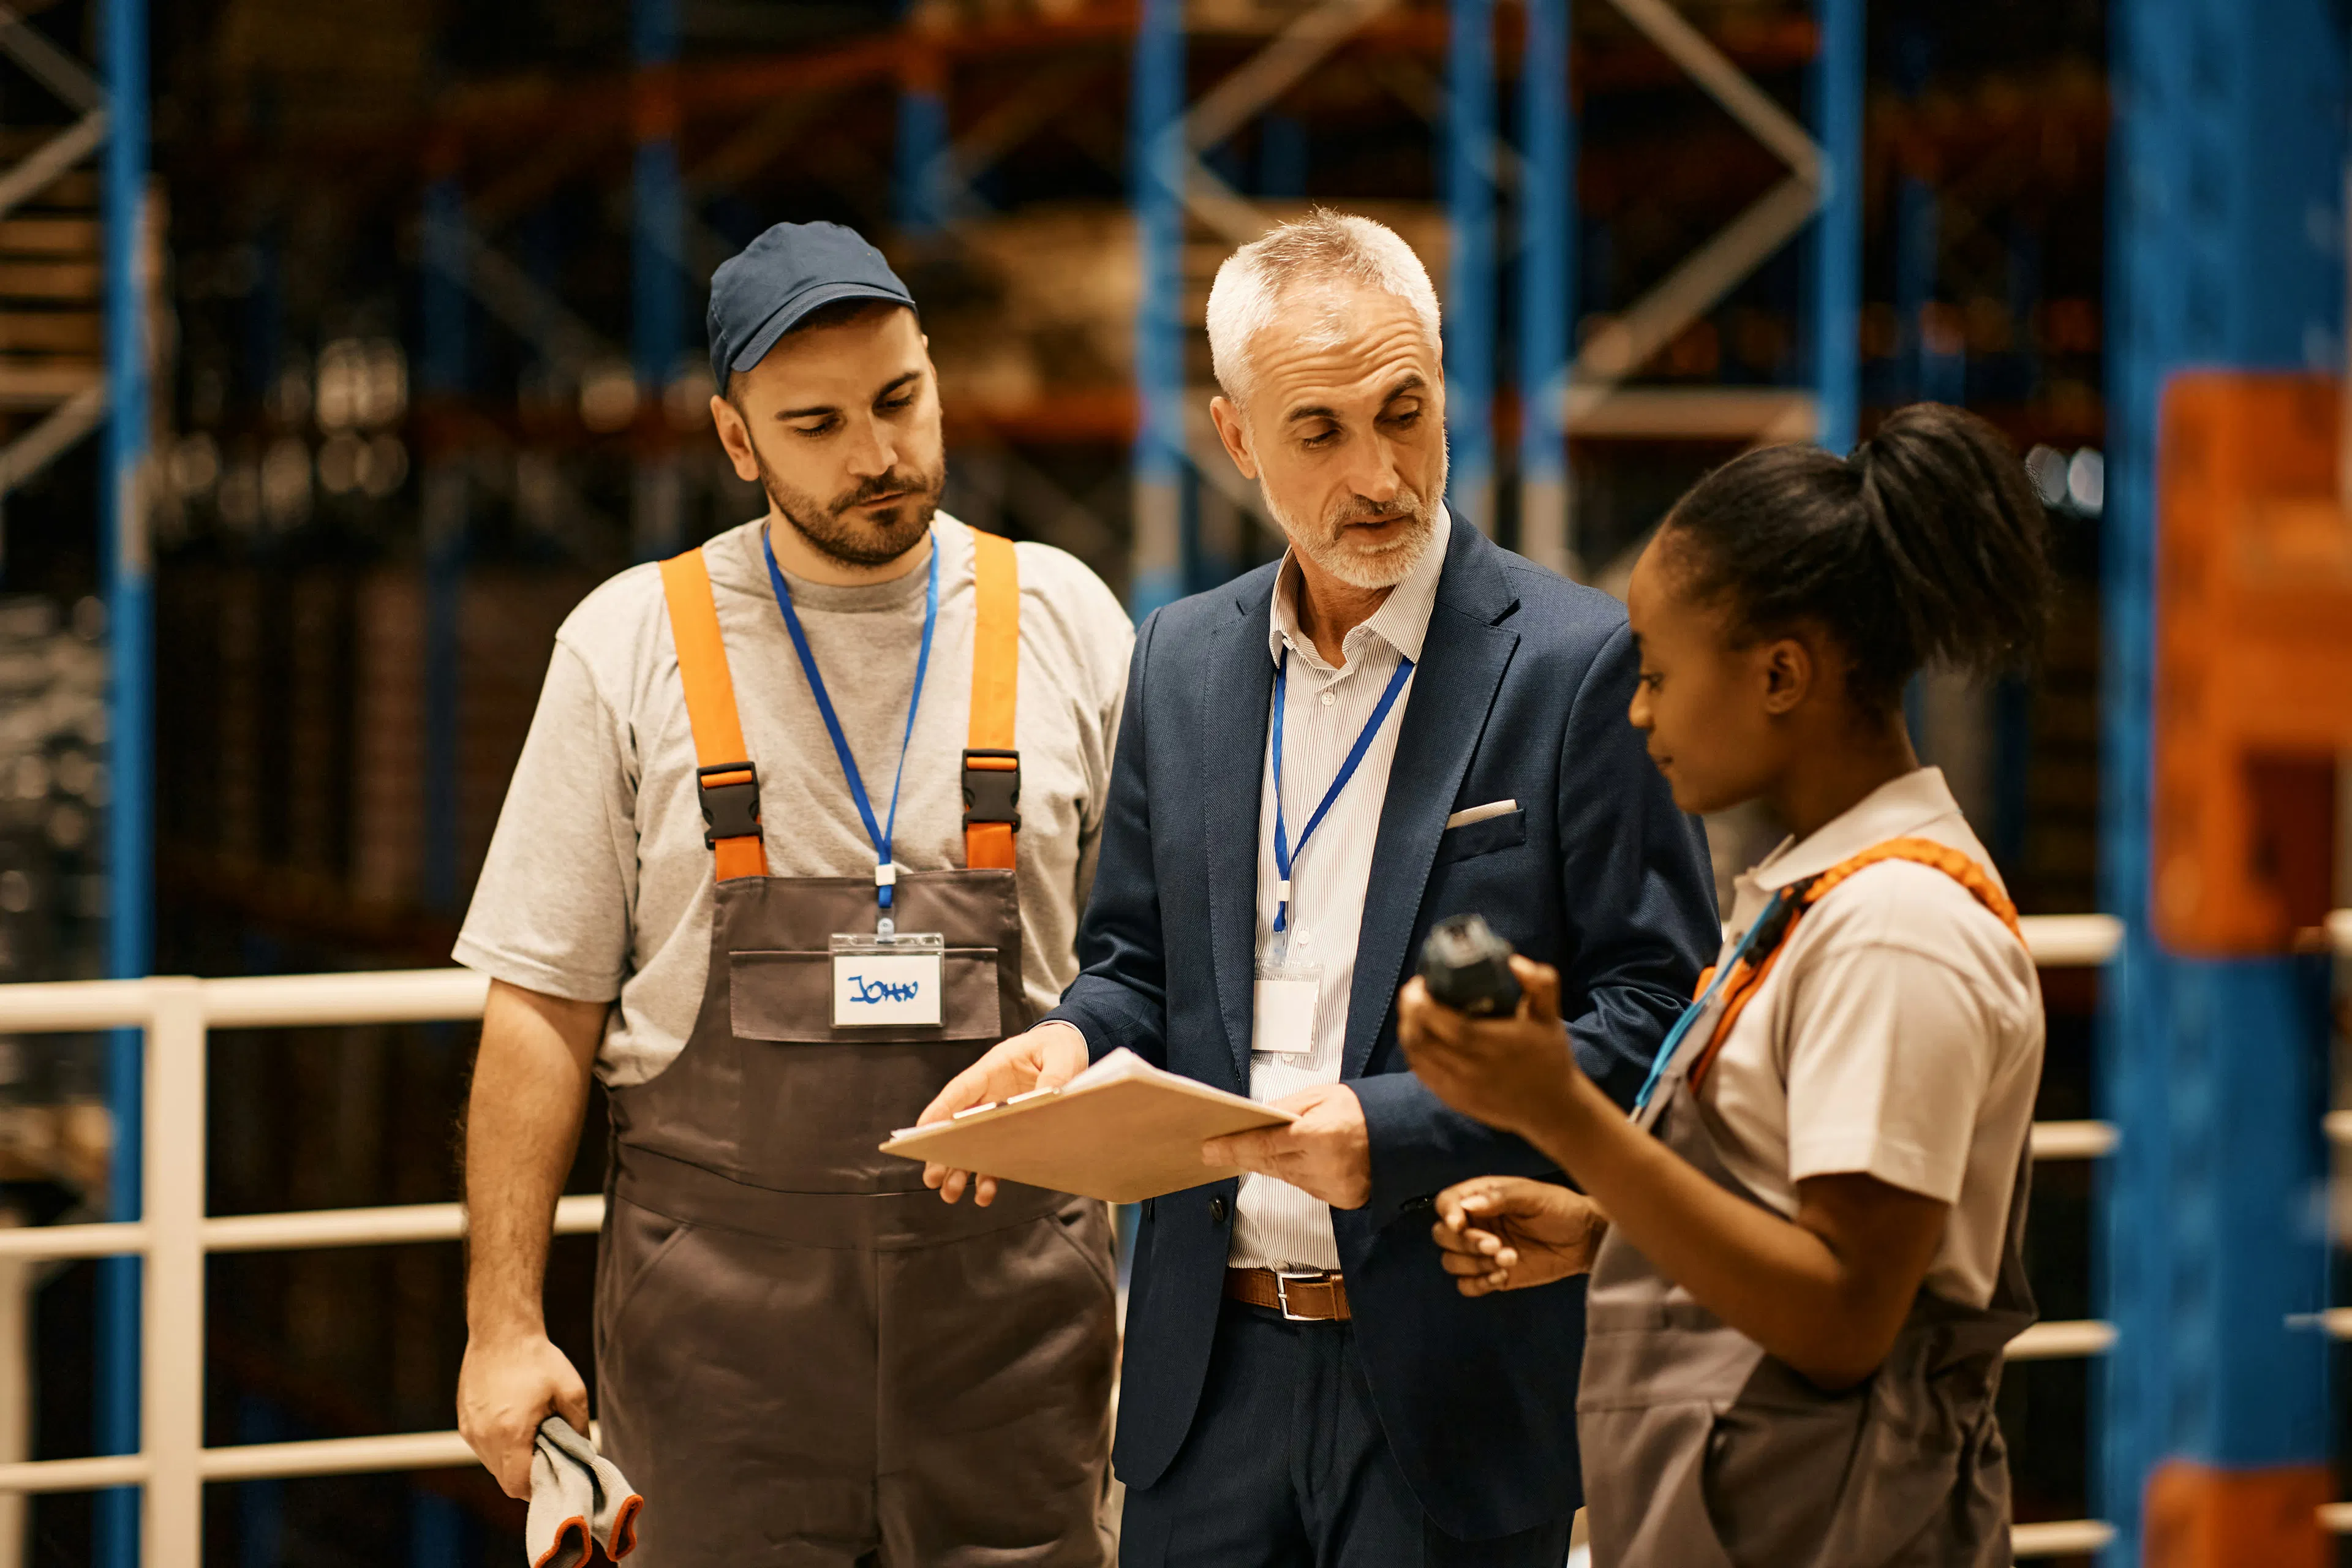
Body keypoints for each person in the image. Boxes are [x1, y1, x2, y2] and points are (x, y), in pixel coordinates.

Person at [922, 209, 1719, 1565]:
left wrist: (1393, 1127)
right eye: (1322, 432)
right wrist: (1065, 1040)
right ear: (1236, 439)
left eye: (1405, 413)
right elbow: (1134, 964)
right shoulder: (1182, 659)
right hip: (1205, 1378)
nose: (1381, 475)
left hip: (1452, 1385)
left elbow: (1658, 1010)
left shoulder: (1578, 663)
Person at [451, 221, 1133, 1566]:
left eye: (899, 399)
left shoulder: (1068, 620)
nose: (876, 454)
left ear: (935, 371)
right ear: (736, 439)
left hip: (1015, 1346)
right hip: (718, 1363)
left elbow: (1150, 967)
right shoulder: (628, 645)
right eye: (815, 423)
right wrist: (502, 1324)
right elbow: (541, 1008)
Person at [1398, 402, 2054, 1567]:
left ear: (1783, 673)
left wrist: (1563, 1115)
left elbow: (1846, 1316)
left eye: (1655, 674)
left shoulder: (1894, 931)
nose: (1639, 713)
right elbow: (1788, 1211)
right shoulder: (1820, 898)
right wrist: (1609, 1234)